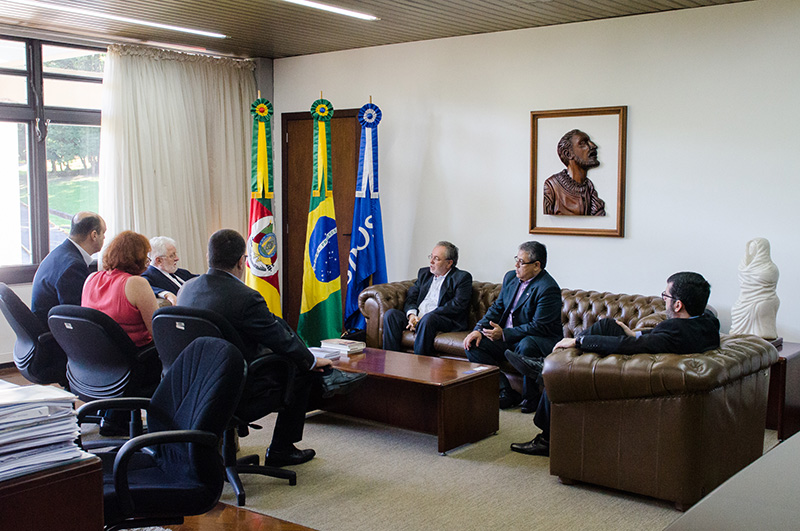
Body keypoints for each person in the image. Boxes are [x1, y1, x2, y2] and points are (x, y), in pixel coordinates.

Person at [178, 229, 366, 467]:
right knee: (299, 369)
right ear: (241, 261)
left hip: (191, 386)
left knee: (289, 349)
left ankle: (328, 379)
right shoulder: (245, 297)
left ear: (209, 257)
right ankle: (282, 449)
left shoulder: (187, 289)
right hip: (237, 389)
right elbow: (279, 341)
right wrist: (309, 360)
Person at [508, 271, 720, 457]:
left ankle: (546, 394)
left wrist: (577, 340)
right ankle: (546, 366)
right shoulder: (707, 322)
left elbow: (626, 346)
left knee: (564, 367)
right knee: (608, 325)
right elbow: (656, 337)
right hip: (643, 362)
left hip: (630, 375)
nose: (663, 300)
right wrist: (635, 333)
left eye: (665, 296)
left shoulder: (676, 332)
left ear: (677, 304)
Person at [463, 241, 562, 410]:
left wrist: (504, 334)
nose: (516, 265)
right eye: (516, 259)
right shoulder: (511, 278)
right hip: (509, 336)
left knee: (526, 344)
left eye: (521, 262)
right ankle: (505, 390)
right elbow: (497, 308)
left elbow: (538, 327)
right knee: (473, 345)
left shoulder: (548, 288)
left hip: (539, 339)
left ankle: (531, 399)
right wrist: (478, 329)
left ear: (537, 266)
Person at [383, 241, 472, 356]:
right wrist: (412, 316)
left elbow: (457, 305)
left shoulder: (462, 278)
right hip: (420, 317)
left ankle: (419, 365)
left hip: (444, 319)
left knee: (428, 319)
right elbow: (412, 296)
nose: (431, 262)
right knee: (391, 315)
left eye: (436, 259)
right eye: (431, 257)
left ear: (449, 263)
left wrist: (424, 317)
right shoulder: (424, 273)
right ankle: (391, 360)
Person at [81, 231, 160, 349]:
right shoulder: (135, 283)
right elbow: (157, 331)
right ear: (139, 258)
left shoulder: (91, 278)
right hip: (134, 356)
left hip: (95, 355)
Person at [31, 211, 106, 327]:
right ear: (94, 235)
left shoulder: (60, 253)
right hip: (55, 335)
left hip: (47, 327)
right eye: (103, 233)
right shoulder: (73, 266)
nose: (105, 237)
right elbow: (78, 317)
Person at [542, 129, 606, 216]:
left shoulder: (589, 187)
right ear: (568, 154)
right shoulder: (552, 186)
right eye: (583, 143)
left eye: (590, 142)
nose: (593, 146)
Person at [141, 236, 197, 305]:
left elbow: (200, 280)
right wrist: (166, 294)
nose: (177, 258)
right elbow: (144, 287)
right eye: (172, 255)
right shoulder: (148, 275)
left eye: (175, 254)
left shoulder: (180, 272)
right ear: (159, 261)